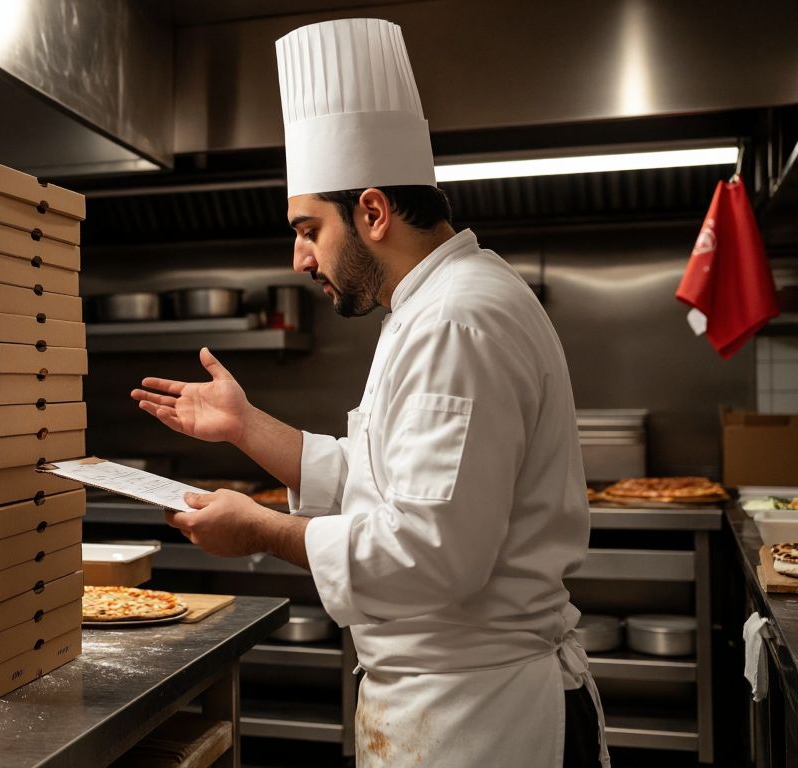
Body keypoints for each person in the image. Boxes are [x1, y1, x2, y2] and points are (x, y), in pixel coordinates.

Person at [131, 18, 609, 768]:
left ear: (374, 213)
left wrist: (258, 528)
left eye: (308, 229)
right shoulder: (431, 305)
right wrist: (246, 426)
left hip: (483, 722)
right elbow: (387, 483)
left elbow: (429, 552)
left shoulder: (455, 318)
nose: (298, 257)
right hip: (448, 703)